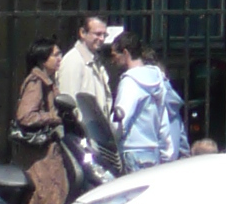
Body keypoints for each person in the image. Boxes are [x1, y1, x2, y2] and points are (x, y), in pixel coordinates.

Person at [12, 43, 72, 204]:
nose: (59, 58)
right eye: (55, 55)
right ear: (42, 59)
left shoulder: (48, 81)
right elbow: (25, 115)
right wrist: (54, 118)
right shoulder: (36, 83)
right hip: (40, 158)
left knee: (53, 202)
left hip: (50, 155)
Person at [113, 38, 189, 170]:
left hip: (132, 151)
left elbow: (121, 118)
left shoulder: (130, 81)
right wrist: (167, 152)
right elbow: (163, 119)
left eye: (114, 55)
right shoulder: (157, 79)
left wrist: (112, 139)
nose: (112, 61)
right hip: (152, 152)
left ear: (125, 53)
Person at [57, 15, 117, 164]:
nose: (102, 39)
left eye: (104, 34)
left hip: (98, 138)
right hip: (84, 140)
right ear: (82, 33)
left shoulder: (95, 60)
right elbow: (69, 103)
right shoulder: (73, 61)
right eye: (97, 34)